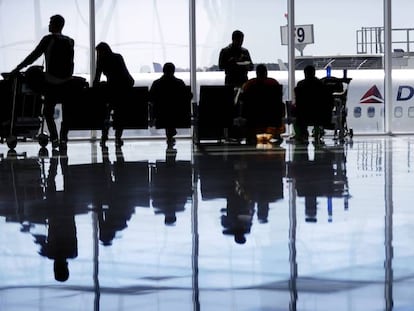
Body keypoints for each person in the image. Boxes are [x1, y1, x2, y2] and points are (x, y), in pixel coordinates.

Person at [11, 14, 75, 149]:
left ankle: (55, 138)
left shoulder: (48, 39)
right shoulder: (70, 41)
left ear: (56, 25)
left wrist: (17, 68)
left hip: (52, 82)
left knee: (47, 112)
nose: (49, 25)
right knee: (67, 112)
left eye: (50, 22)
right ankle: (63, 138)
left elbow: (33, 56)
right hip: (68, 83)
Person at [93, 42, 134, 148]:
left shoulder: (101, 61)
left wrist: (98, 86)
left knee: (105, 112)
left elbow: (97, 78)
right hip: (123, 89)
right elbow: (124, 74)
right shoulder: (117, 57)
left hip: (112, 91)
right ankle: (117, 137)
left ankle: (104, 136)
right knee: (120, 113)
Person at [149, 62, 192, 145]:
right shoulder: (179, 83)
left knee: (166, 112)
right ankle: (170, 133)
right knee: (171, 112)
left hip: (161, 114)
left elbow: (150, 98)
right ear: (173, 71)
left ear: (163, 71)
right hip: (177, 114)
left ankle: (170, 134)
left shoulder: (156, 83)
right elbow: (188, 96)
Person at [241, 64, 285, 144]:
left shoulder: (249, 84)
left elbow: (243, 99)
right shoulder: (273, 83)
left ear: (256, 73)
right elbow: (279, 99)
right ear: (266, 72)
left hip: (253, 117)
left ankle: (249, 135)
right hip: (272, 116)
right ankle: (276, 133)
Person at [293, 65, 333, 143]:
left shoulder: (300, 85)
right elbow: (329, 101)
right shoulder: (321, 85)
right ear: (314, 73)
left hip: (303, 115)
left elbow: (298, 103)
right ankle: (317, 131)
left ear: (305, 73)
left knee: (295, 111)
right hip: (319, 115)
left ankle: (302, 133)